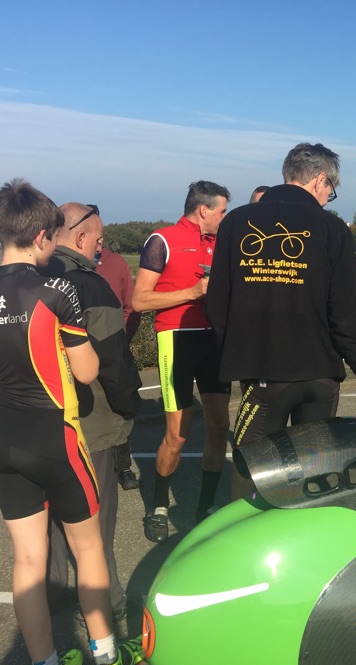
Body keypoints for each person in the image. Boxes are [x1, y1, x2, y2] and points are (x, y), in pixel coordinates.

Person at [0, 180, 142, 665]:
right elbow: (86, 372)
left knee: (28, 561)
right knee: (89, 549)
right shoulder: (54, 291)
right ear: (43, 236)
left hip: (3, 439)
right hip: (55, 437)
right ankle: (107, 656)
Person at [206, 143, 356, 500]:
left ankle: (246, 531)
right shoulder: (332, 229)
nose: (327, 199)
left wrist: (240, 355)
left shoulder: (236, 222)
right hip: (320, 374)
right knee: (317, 474)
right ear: (320, 180)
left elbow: (217, 303)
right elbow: (346, 310)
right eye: (330, 191)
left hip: (263, 375)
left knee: (252, 469)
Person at [45, 202, 142, 626]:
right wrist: (129, 405)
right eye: (99, 240)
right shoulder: (89, 285)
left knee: (52, 515)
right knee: (96, 519)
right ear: (80, 237)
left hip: (41, 420)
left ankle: (54, 591)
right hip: (93, 419)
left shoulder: (29, 279)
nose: (102, 248)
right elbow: (113, 359)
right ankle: (109, 601)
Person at [133, 181, 232, 542]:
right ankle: (159, 506)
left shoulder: (222, 243)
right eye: (222, 211)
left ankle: (205, 506)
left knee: (219, 426)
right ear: (204, 210)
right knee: (177, 434)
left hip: (215, 341)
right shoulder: (163, 240)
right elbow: (140, 300)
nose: (225, 217)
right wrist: (192, 292)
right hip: (177, 339)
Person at [94, 240, 141, 490]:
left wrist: (121, 340)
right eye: (96, 236)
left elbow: (131, 307)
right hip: (79, 354)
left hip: (114, 351)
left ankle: (123, 466)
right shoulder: (61, 265)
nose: (100, 241)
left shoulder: (116, 263)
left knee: (121, 408)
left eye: (102, 236)